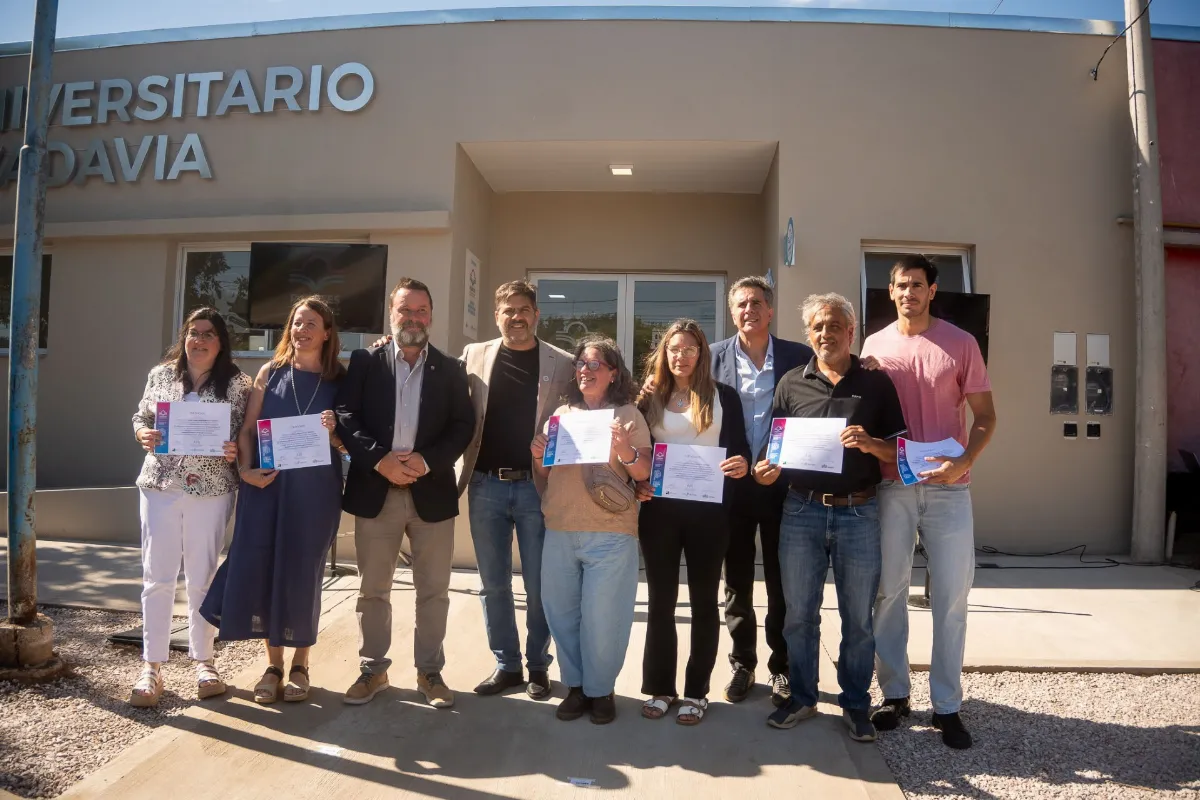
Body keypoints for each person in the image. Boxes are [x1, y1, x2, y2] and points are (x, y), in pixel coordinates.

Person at [753, 293, 906, 743]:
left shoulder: (877, 383)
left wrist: (871, 443)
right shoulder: (790, 383)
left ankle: (856, 703)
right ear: (809, 334)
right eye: (818, 327)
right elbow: (773, 450)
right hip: (800, 510)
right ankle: (802, 696)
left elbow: (898, 449)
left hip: (859, 511)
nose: (826, 334)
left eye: (835, 325)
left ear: (851, 331)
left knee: (858, 617)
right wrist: (765, 471)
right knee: (799, 614)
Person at [860, 255, 996, 750]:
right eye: (900, 285)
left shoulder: (961, 344)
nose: (908, 293)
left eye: (917, 285)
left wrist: (964, 463)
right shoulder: (874, 345)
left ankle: (948, 706)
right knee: (889, 592)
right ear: (891, 291)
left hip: (949, 489)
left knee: (952, 598)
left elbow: (985, 416)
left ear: (932, 290)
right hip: (893, 484)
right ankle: (895, 694)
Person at [200, 296, 347, 704]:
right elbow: (248, 431)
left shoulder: (340, 380)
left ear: (327, 333)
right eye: (297, 322)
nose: (302, 330)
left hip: (316, 492)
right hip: (266, 487)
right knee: (263, 566)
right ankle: (273, 665)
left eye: (311, 323)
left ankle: (301, 663)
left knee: (303, 571)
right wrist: (246, 472)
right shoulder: (270, 372)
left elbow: (348, 445)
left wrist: (334, 431)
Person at [335, 277, 475, 708]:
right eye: (405, 310)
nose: (413, 318)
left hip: (430, 492)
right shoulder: (364, 361)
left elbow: (462, 426)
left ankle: (429, 673)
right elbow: (345, 415)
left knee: (433, 590)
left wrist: (427, 460)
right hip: (376, 491)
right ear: (391, 314)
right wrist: (382, 460)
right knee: (372, 589)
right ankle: (373, 671)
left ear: (430, 316)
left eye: (421, 311)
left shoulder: (451, 369)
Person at [129, 308, 251, 707]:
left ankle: (204, 661)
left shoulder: (238, 384)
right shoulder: (160, 374)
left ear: (221, 342)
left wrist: (236, 449)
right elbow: (141, 415)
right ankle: (152, 666)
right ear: (184, 338)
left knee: (203, 576)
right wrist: (142, 432)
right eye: (193, 333)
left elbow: (243, 435)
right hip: (160, 486)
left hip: (212, 489)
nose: (199, 340)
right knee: (157, 576)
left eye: (209, 334)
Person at [460, 280, 575, 699]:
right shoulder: (474, 356)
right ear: (497, 315)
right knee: (493, 582)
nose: (516, 317)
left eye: (524, 309)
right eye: (508, 310)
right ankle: (506, 665)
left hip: (536, 489)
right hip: (485, 485)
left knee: (539, 585)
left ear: (537, 314)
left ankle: (539, 667)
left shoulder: (562, 363)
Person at [533, 336, 652, 724]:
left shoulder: (629, 414)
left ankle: (601, 691)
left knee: (604, 618)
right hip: (561, 527)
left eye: (595, 364)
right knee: (563, 614)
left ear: (613, 372)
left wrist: (624, 450)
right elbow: (545, 475)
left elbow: (644, 472)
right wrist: (539, 456)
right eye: (581, 364)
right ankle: (576, 687)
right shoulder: (561, 415)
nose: (585, 370)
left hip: (611, 531)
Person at [638, 319, 751, 726]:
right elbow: (636, 452)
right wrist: (639, 485)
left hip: (709, 514)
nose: (681, 356)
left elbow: (739, 451)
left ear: (702, 353)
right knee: (661, 602)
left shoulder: (725, 397)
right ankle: (660, 687)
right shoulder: (649, 398)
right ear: (664, 355)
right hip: (660, 513)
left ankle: (696, 692)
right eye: (674, 349)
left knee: (704, 603)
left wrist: (742, 465)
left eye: (689, 349)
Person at [709, 276, 813, 707]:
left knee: (780, 582)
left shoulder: (798, 356)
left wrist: (871, 365)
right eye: (740, 305)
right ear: (732, 312)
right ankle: (742, 663)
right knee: (735, 583)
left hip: (780, 487)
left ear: (770, 311)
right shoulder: (712, 358)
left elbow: (825, 393)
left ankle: (782, 669)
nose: (748, 310)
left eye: (756, 303)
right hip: (730, 488)